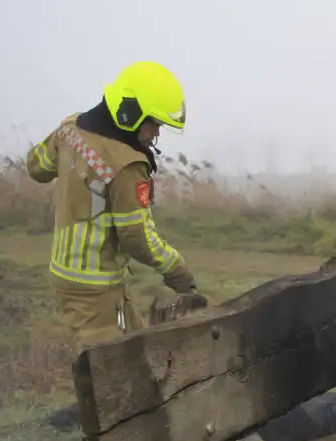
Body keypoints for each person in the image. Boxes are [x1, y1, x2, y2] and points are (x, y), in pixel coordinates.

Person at [25, 61, 204, 352]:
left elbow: (37, 167)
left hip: (68, 273)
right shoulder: (127, 165)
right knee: (112, 372)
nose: (156, 134)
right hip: (95, 288)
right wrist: (179, 272)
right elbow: (137, 238)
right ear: (129, 111)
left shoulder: (70, 130)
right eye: (154, 123)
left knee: (138, 348)